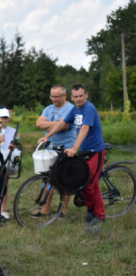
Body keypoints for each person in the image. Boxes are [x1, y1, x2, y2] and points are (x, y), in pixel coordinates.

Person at [38, 84, 106, 231]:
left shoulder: (89, 108)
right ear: (72, 97)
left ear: (86, 95)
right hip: (85, 150)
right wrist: (47, 137)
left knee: (89, 184)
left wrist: (75, 147)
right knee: (84, 181)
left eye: (81, 96)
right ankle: (92, 210)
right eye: (75, 96)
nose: (78, 99)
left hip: (96, 151)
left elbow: (85, 128)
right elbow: (62, 123)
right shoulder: (75, 110)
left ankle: (98, 216)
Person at [34, 85, 77, 218]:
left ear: (64, 96)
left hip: (67, 146)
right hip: (50, 147)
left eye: (57, 96)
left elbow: (66, 126)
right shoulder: (48, 108)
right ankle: (45, 209)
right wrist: (58, 123)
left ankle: (63, 210)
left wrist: (56, 124)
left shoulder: (71, 108)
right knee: (48, 178)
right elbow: (39, 124)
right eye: (52, 96)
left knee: (65, 178)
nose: (54, 99)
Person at [0, 108, 12, 221]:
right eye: (2, 117)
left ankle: (3, 209)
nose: (3, 120)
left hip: (7, 160)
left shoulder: (10, 131)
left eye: (5, 117)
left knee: (5, 185)